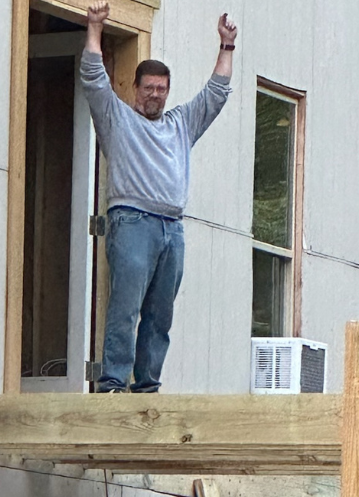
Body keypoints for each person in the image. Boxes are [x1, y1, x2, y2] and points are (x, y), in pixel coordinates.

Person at [81, 2, 237, 392]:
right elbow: (93, 78)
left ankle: (147, 384)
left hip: (173, 227)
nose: (155, 95)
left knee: (160, 314)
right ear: (135, 88)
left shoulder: (181, 123)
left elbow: (215, 95)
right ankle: (113, 381)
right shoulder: (117, 118)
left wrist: (227, 46)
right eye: (149, 88)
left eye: (161, 90)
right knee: (126, 306)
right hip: (132, 221)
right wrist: (95, 28)